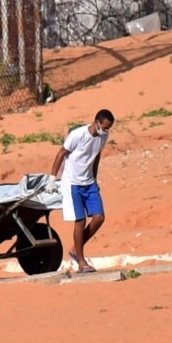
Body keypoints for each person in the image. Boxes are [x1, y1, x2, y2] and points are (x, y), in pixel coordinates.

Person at [48, 109, 114, 274]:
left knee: (99, 217)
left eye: (108, 129)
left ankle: (75, 249)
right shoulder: (77, 135)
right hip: (72, 183)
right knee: (80, 221)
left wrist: (95, 177)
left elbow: (96, 155)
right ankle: (81, 261)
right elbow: (61, 153)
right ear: (96, 122)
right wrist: (51, 178)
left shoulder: (103, 136)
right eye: (104, 127)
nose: (105, 131)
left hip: (89, 182)